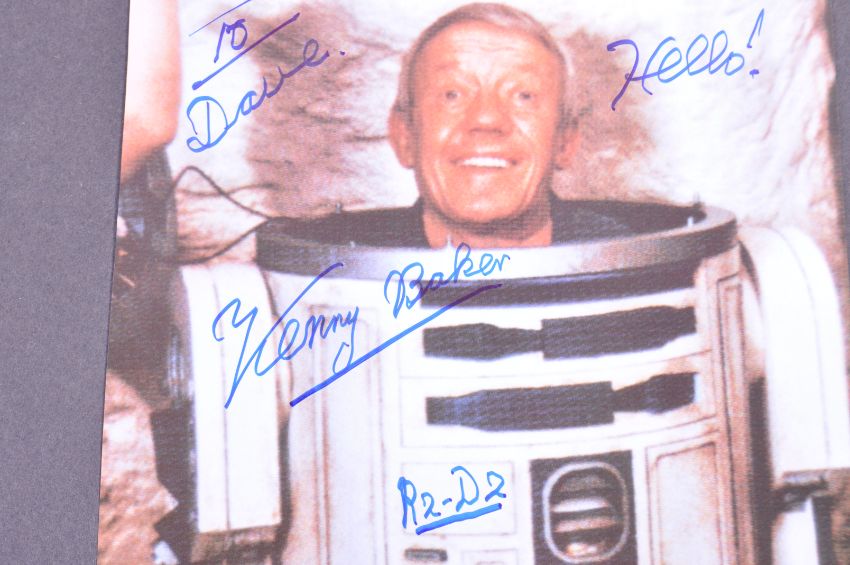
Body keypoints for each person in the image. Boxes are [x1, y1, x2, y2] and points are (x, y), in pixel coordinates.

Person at [268, 2, 641, 249]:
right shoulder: (336, 275)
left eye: (523, 96)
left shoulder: (632, 265)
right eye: (452, 95)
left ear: (565, 141)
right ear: (404, 136)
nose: (486, 120)